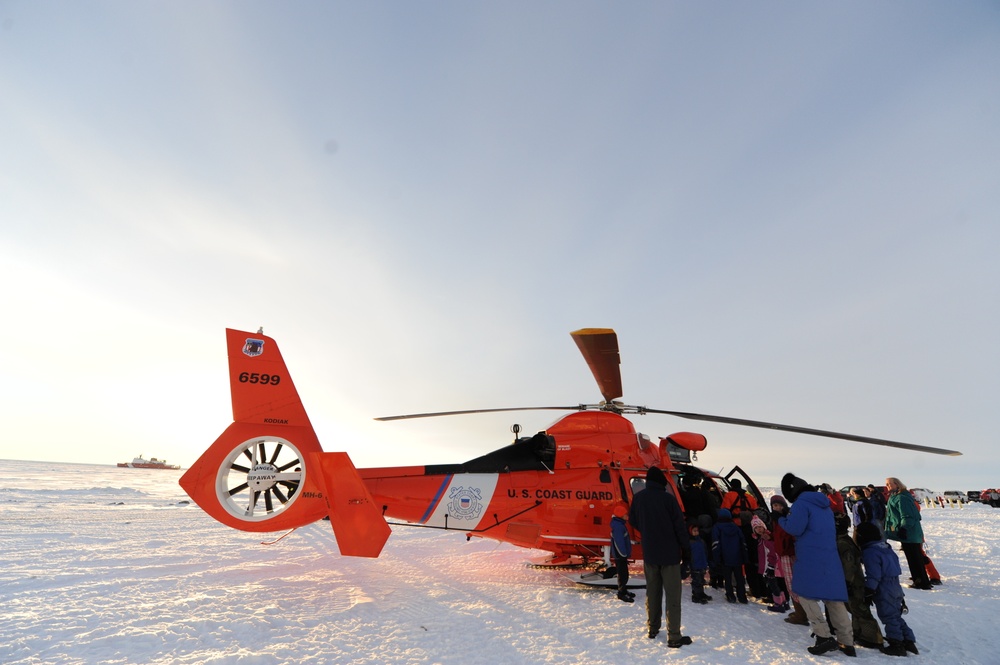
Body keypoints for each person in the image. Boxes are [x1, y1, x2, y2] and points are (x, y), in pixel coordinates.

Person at [779, 473, 856, 657]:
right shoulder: (825, 505)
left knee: (805, 594)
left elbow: (795, 528)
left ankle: (823, 636)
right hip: (829, 556)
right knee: (833, 599)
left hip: (810, 556)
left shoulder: (801, 504)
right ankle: (847, 642)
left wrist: (781, 518)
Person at [628, 466, 693, 648]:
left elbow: (633, 520)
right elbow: (680, 528)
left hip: (650, 554)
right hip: (670, 556)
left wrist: (649, 532)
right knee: (672, 596)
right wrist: (686, 551)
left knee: (653, 593)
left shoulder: (639, 498)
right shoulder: (668, 499)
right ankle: (674, 636)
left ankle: (653, 628)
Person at [856, 521, 919, 656]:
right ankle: (908, 640)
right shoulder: (886, 548)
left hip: (883, 588)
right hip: (895, 585)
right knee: (896, 615)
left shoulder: (870, 552)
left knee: (889, 617)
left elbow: (874, 575)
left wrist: (869, 591)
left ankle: (896, 643)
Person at [834, 512, 884, 650]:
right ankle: (860, 633)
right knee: (854, 609)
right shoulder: (844, 540)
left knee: (861, 611)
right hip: (853, 582)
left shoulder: (842, 543)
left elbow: (848, 565)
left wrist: (847, 582)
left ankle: (874, 639)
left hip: (854, 583)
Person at [884, 477, 932, 590]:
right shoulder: (895, 497)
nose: (887, 486)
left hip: (910, 533)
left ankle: (922, 582)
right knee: (913, 557)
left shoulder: (902, 498)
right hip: (907, 534)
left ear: (897, 484)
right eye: (886, 484)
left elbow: (907, 515)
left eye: (889, 484)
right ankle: (919, 579)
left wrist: (903, 528)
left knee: (915, 558)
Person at [771, 495, 808, 625]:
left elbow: (787, 534)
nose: (777, 508)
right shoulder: (776, 519)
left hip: (789, 553)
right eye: (774, 506)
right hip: (784, 553)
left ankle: (801, 614)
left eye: (779, 505)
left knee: (792, 583)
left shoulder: (785, 518)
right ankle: (800, 611)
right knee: (789, 582)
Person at [751, 514, 787, 612]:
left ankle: (779, 604)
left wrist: (770, 566)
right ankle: (783, 602)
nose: (758, 529)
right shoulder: (760, 539)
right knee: (774, 584)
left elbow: (772, 553)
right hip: (768, 565)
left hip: (771, 566)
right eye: (756, 528)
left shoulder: (767, 539)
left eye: (760, 527)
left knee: (773, 584)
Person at [711, 508, 748, 604]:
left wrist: (716, 558)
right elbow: (742, 542)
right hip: (737, 557)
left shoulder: (717, 527)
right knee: (739, 578)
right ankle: (742, 597)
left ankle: (730, 595)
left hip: (725, 558)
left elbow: (716, 544)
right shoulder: (735, 527)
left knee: (727, 578)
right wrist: (744, 556)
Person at [610, 503, 635, 603]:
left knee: (624, 573)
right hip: (620, 555)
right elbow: (619, 542)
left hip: (621, 555)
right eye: (625, 514)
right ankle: (621, 593)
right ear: (620, 515)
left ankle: (623, 590)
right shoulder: (619, 527)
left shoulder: (619, 525)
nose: (627, 516)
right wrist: (623, 554)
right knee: (622, 574)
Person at [687, 522, 712, 603]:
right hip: (695, 564)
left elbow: (705, 551)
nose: (696, 532)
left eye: (697, 531)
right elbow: (688, 554)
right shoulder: (690, 542)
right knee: (696, 580)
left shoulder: (701, 541)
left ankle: (701, 593)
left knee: (701, 579)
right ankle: (696, 595)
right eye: (694, 531)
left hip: (702, 563)